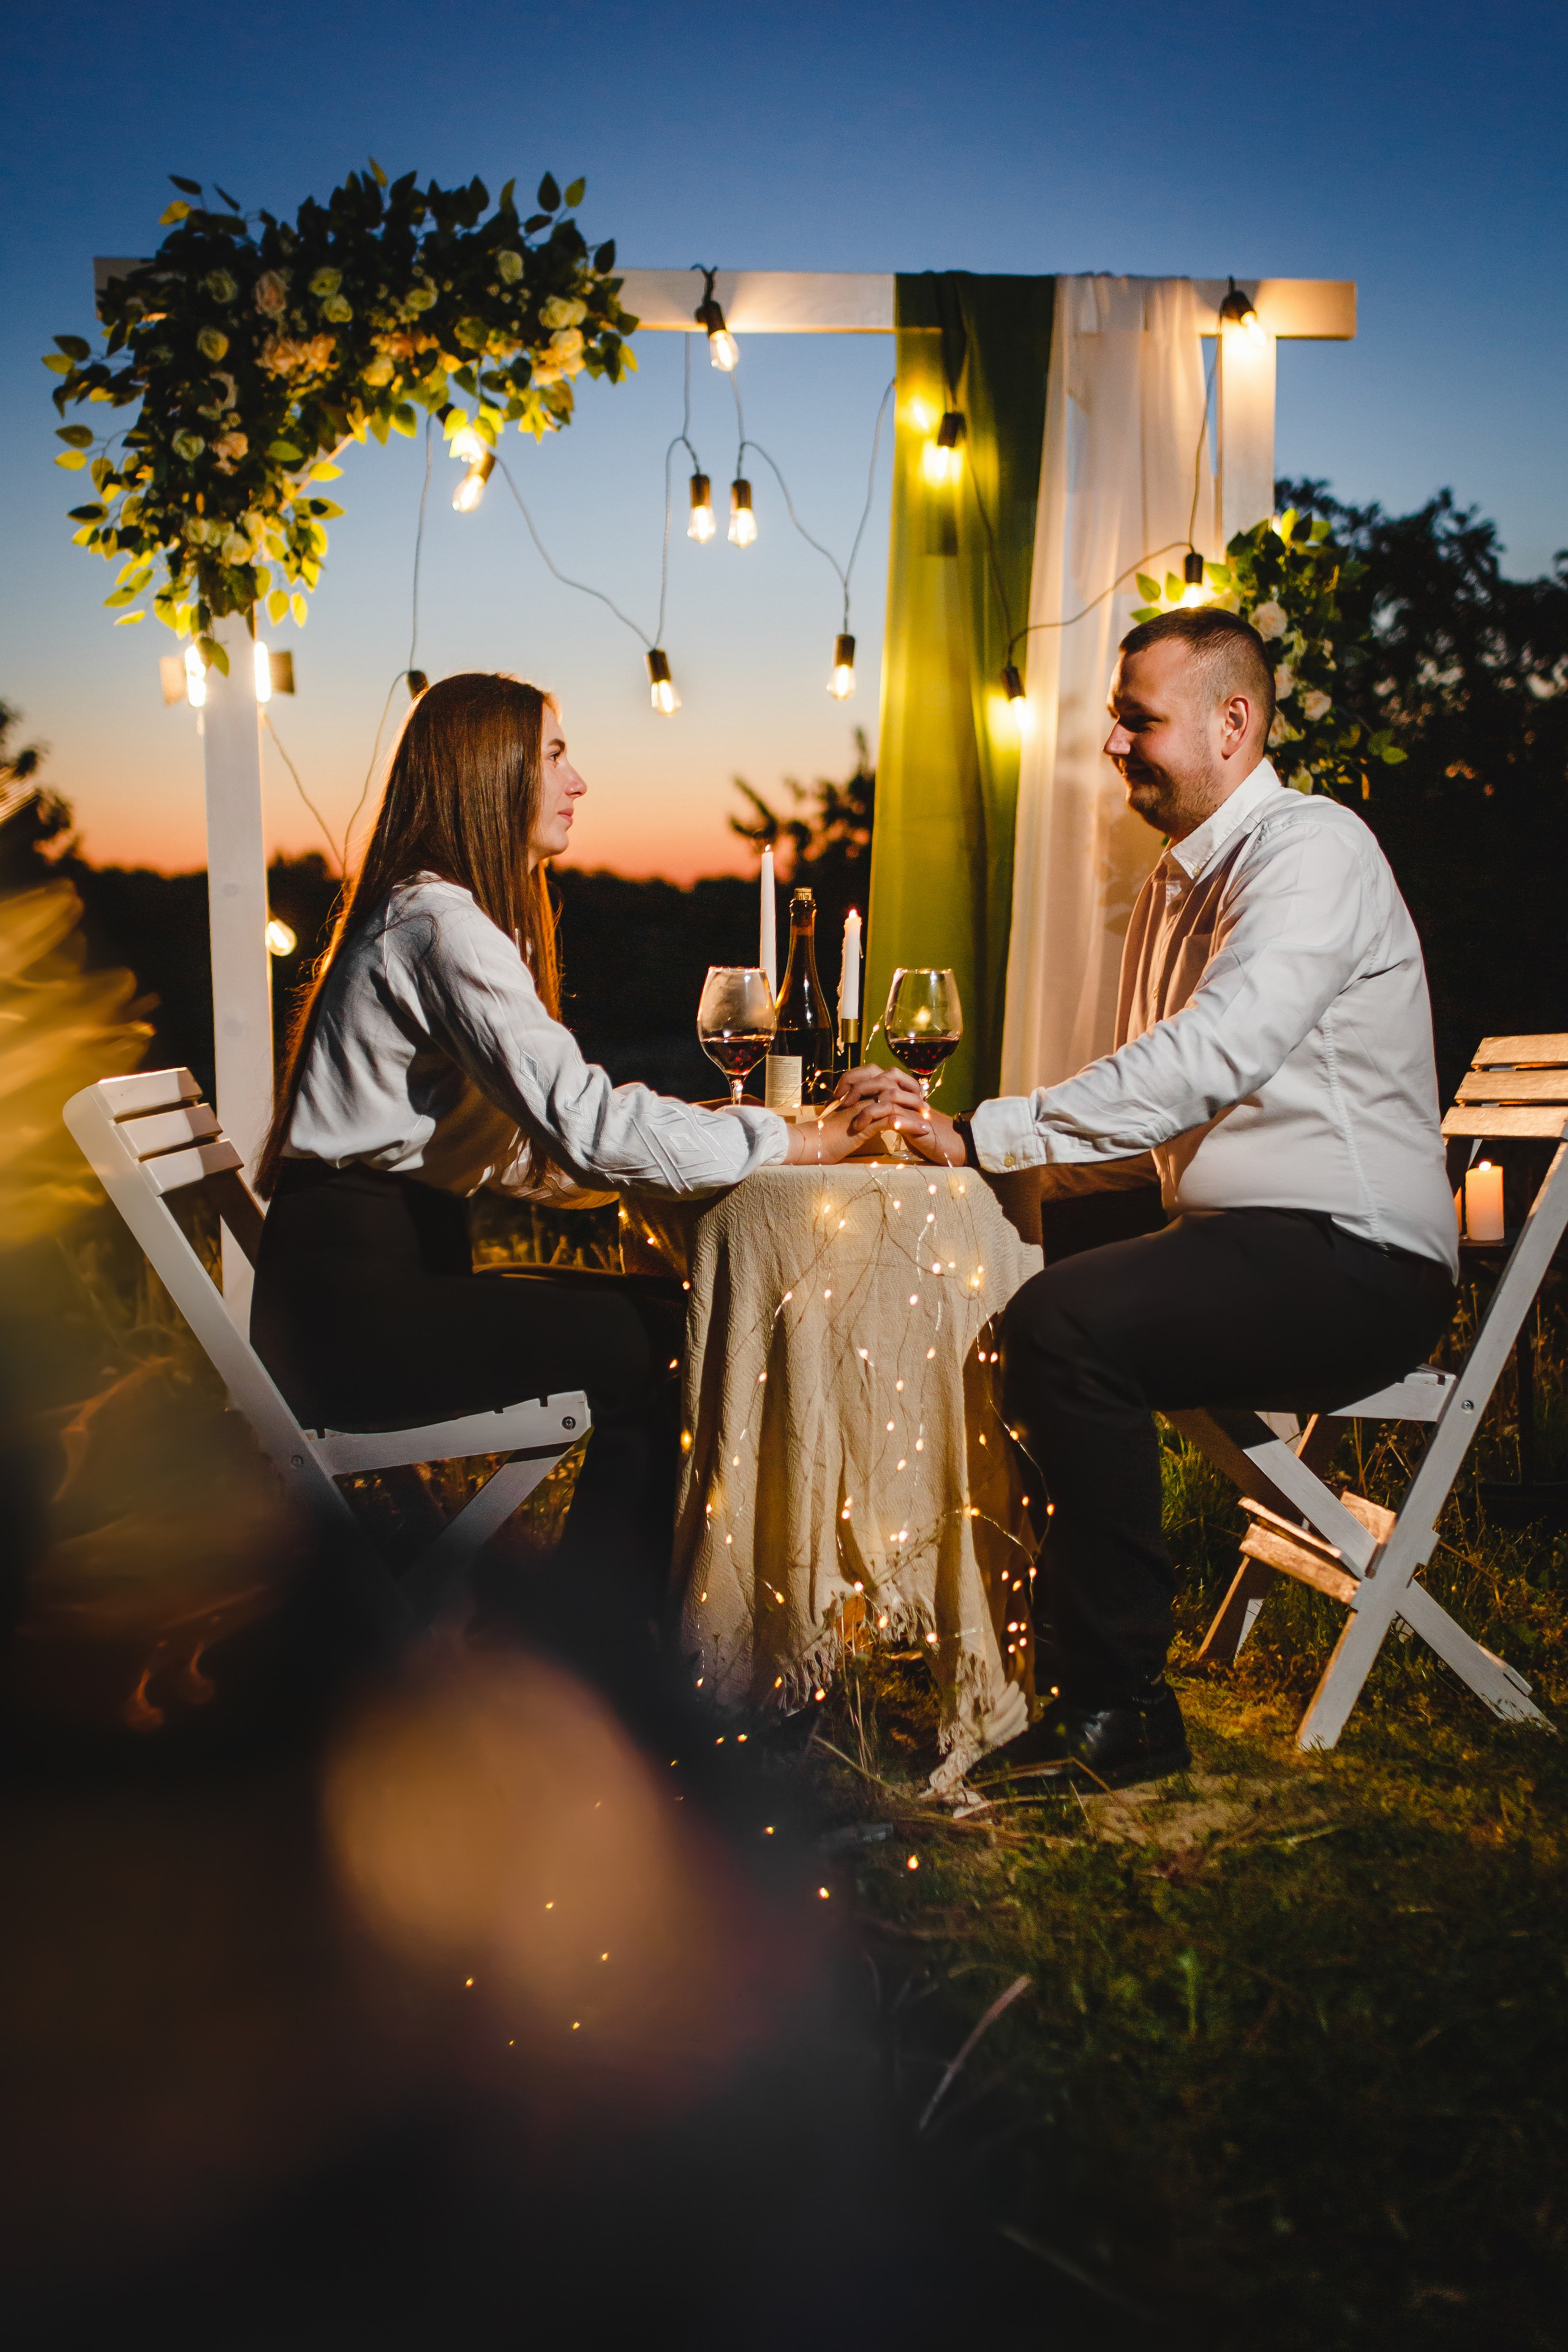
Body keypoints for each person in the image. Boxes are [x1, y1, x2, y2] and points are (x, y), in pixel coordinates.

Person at [842, 608, 1457, 1788]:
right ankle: (964, 1634)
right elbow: (1153, 1123)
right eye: (1117, 722)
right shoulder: (1183, 886)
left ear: (1234, 723)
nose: (1117, 746)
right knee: (983, 1255)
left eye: (1140, 721)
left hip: (1358, 1262)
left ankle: (1120, 1708)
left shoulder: (1310, 851)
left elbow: (1208, 1059)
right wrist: (961, 1161)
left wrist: (984, 1131)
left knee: (1063, 1327)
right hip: (1242, 1238)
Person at [251, 672, 896, 1645]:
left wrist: (702, 1138)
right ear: (491, 773)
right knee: (689, 1344)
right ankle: (590, 1658)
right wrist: (798, 1137)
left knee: (685, 1319)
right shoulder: (442, 925)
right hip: (355, 1319)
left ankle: (597, 1639)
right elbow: (587, 1126)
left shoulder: (441, 914)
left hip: (360, 1280)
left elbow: (540, 1147)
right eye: (555, 755)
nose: (579, 780)